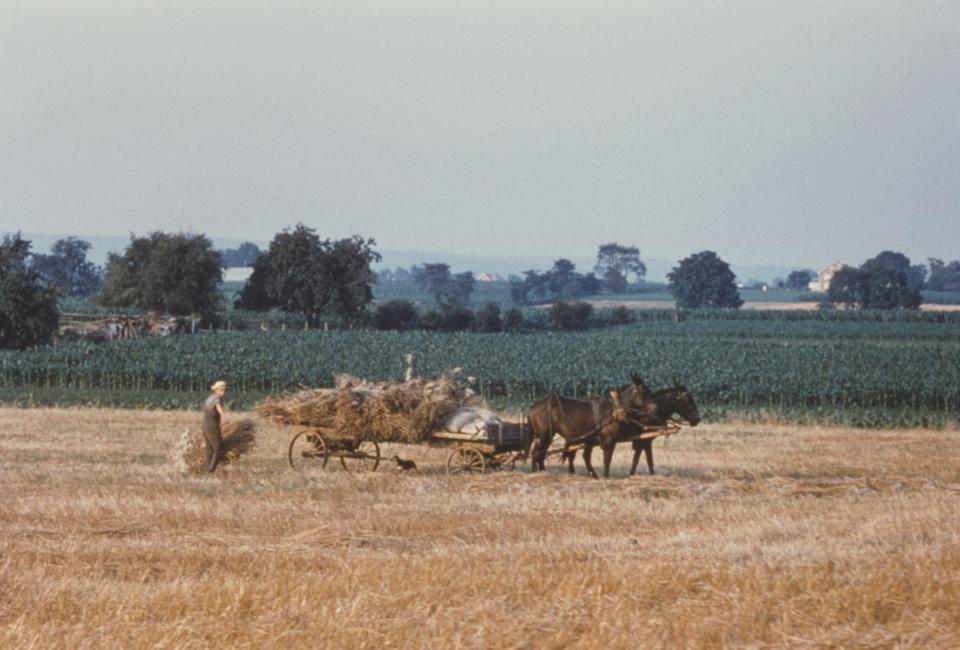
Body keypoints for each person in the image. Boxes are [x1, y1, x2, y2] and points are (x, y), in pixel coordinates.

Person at [202, 380, 228, 472]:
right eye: (221, 390)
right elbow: (218, 408)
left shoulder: (210, 398)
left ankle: (207, 469)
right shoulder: (217, 398)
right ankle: (210, 469)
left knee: (209, 448)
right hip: (211, 426)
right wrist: (223, 416)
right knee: (218, 448)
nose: (223, 392)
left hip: (205, 425)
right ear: (216, 390)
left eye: (224, 390)